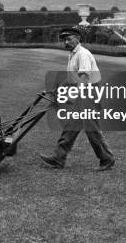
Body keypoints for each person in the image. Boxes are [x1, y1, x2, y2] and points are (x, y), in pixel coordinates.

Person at [39, 27, 115, 171]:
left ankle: (107, 159)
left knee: (92, 129)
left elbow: (84, 78)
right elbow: (71, 78)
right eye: (64, 40)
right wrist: (56, 90)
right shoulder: (72, 54)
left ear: (78, 38)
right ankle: (58, 158)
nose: (65, 42)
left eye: (68, 39)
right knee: (71, 127)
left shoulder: (82, 54)